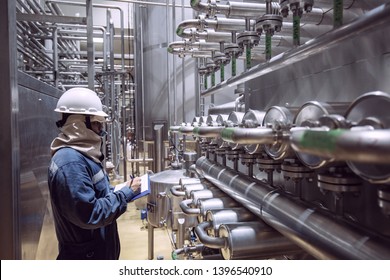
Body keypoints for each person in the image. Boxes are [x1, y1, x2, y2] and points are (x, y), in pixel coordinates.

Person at [48, 87, 141, 260]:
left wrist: (117, 190)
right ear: (79, 122)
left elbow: (94, 195)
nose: (100, 130)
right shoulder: (71, 163)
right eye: (97, 123)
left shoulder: (81, 154)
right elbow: (90, 214)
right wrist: (125, 194)